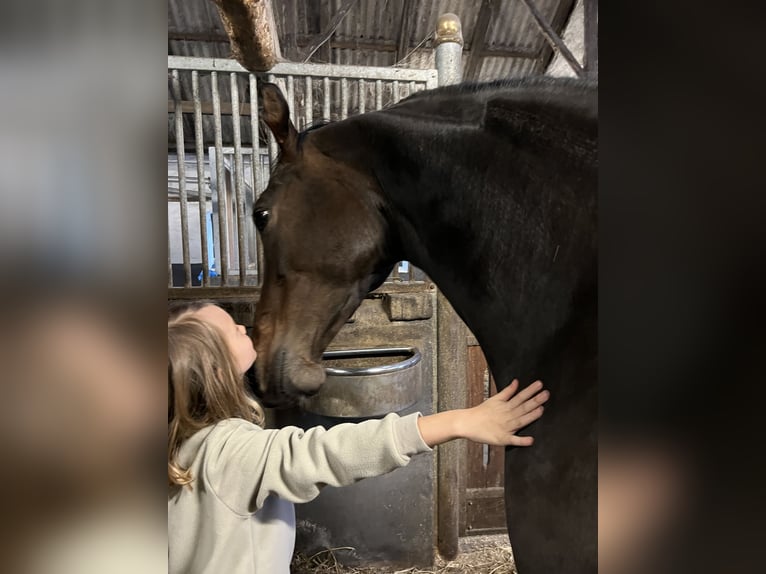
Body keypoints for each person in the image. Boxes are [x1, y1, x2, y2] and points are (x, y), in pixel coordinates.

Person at [168, 301, 550, 574]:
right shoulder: (234, 453)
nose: (243, 326)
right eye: (231, 330)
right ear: (217, 372)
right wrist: (460, 421)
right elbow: (332, 452)